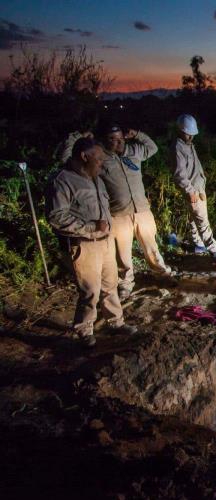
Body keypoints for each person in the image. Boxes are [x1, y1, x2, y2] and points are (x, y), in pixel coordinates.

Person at [46, 138, 137, 348]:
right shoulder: (62, 180)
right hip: (84, 244)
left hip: (105, 242)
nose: (102, 163)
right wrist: (91, 226)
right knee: (90, 290)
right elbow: (57, 217)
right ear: (84, 156)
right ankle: (84, 330)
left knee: (110, 285)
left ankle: (115, 322)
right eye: (99, 159)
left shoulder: (95, 178)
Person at [98, 122, 173, 300]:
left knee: (151, 246)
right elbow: (69, 158)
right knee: (123, 254)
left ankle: (163, 274)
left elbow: (152, 147)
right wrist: (81, 137)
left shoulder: (134, 151)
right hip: (118, 213)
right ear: (105, 140)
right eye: (112, 139)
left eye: (120, 138)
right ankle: (125, 283)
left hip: (142, 210)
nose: (117, 142)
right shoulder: (100, 158)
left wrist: (138, 133)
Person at [170, 114, 216, 258]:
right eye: (188, 134)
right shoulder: (177, 148)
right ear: (180, 131)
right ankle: (214, 250)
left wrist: (201, 186)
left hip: (198, 188)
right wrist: (190, 191)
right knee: (203, 221)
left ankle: (198, 245)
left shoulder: (188, 145)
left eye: (192, 134)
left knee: (193, 219)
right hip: (192, 190)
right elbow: (180, 174)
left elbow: (195, 168)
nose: (191, 137)